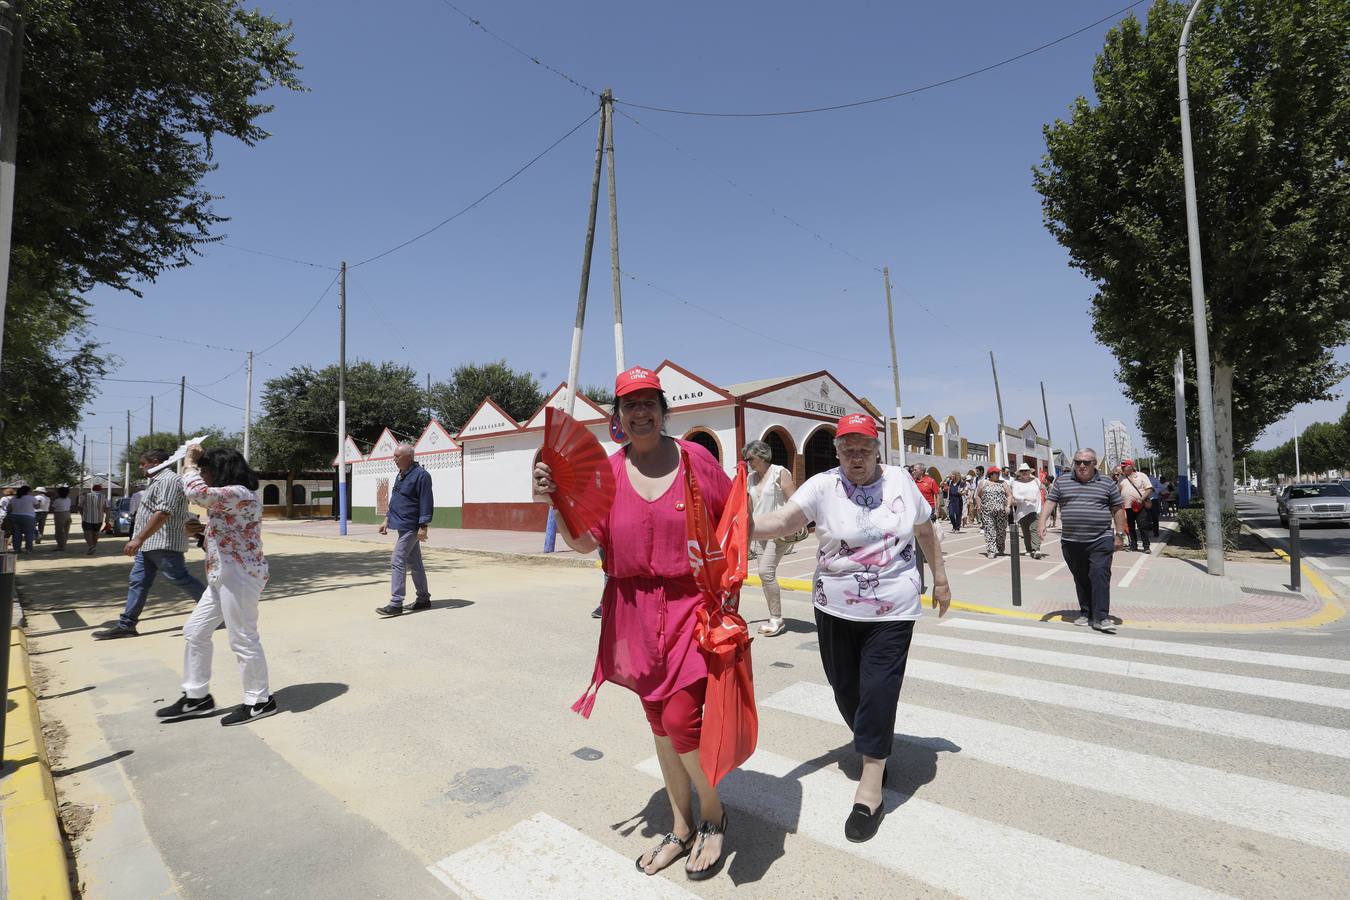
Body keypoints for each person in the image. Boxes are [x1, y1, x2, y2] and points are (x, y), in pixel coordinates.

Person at [533, 365, 732, 880]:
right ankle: (681, 823)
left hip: (690, 609)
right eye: (629, 404)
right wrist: (555, 496)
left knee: (681, 721)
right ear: (619, 417)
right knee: (657, 726)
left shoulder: (697, 461)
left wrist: (729, 588)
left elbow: (734, 518)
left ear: (664, 411)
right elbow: (584, 543)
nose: (640, 412)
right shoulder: (610, 473)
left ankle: (714, 818)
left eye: (649, 402)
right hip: (632, 616)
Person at [749, 413, 950, 843]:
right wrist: (736, 524)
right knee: (847, 691)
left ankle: (870, 785)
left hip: (892, 607)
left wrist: (942, 578)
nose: (855, 456)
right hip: (834, 606)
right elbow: (785, 521)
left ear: (877, 449)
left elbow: (924, 529)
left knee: (878, 689)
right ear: (837, 451)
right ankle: (873, 736)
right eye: (847, 449)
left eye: (864, 448)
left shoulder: (900, 481)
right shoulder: (822, 485)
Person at [157, 444, 275, 725]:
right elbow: (229, 534)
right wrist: (203, 534)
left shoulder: (240, 493)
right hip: (222, 575)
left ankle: (260, 700)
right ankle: (197, 697)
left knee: (243, 638)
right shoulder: (227, 499)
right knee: (195, 631)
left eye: (207, 471)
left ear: (221, 471)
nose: (204, 476)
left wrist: (189, 463)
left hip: (240, 576)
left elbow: (197, 493)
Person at [94, 450, 207, 640]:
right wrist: (141, 539)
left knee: (180, 578)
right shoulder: (157, 481)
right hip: (149, 544)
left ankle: (216, 613)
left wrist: (138, 538)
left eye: (142, 463)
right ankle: (127, 625)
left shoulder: (169, 480)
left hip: (163, 542)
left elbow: (163, 512)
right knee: (138, 582)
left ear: (155, 462)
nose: (140, 467)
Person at [1037, 448, 1127, 634]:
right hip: (1071, 540)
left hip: (1100, 538)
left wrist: (1119, 535)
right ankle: (1086, 612)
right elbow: (1050, 502)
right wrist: (1041, 522)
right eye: (1078, 462)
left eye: (1086, 462)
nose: (1082, 466)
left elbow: (1118, 509)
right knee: (1081, 577)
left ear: (1094, 463)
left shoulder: (1107, 483)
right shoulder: (1063, 482)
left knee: (1099, 575)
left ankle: (1101, 617)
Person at [742, 439, 797, 637]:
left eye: (750, 458)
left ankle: (776, 619)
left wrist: (793, 525)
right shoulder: (750, 478)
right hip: (758, 532)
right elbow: (748, 508)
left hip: (778, 532)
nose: (748, 462)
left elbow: (794, 500)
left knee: (766, 572)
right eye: (746, 459)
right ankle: (773, 615)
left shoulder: (779, 472)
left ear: (762, 455)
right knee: (765, 577)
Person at [375, 443, 434, 618]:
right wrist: (387, 519)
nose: (394, 459)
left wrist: (423, 526)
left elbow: (426, 501)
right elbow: (395, 499)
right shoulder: (400, 475)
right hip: (401, 524)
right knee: (415, 563)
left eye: (397, 456)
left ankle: (396, 603)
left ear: (408, 456)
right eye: (394, 456)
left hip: (412, 526)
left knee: (397, 558)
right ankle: (423, 599)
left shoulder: (422, 476)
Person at [973, 466, 1012, 559]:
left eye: (998, 473)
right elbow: (977, 496)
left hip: (1001, 511)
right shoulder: (983, 483)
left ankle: (1000, 547)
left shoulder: (1003, 483)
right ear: (990, 474)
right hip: (987, 511)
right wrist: (979, 506)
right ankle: (991, 550)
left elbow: (1009, 495)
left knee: (1001, 531)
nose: (998, 475)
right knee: (990, 530)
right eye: (996, 473)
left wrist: (1008, 506)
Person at [1116, 459, 1154, 553]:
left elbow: (1149, 489)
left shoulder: (1141, 475)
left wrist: (1141, 499)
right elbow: (1117, 491)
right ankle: (1133, 545)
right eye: (1122, 466)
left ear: (1131, 466)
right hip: (1127, 507)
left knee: (1143, 526)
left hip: (1140, 506)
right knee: (1130, 527)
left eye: (1124, 466)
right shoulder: (1122, 478)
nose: (1123, 468)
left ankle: (1146, 547)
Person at [1011, 463, 1046, 559]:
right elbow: (1015, 495)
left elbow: (1043, 488)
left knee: (1034, 529)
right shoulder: (1016, 483)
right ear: (1019, 473)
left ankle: (1036, 549)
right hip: (1022, 511)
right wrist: (1025, 498)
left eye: (1026, 471)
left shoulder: (1036, 481)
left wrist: (1045, 490)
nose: (1024, 473)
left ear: (1029, 472)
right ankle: (1029, 549)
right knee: (1026, 532)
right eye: (1022, 471)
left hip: (1035, 509)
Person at [7, 485, 37, 553]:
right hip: (28, 517)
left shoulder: (14, 498)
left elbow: (9, 508)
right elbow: (37, 506)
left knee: (16, 533)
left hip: (15, 516)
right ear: (28, 491)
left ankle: (17, 548)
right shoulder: (31, 498)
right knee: (29, 533)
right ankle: (28, 549)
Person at [79, 484, 108, 554]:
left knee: (87, 533)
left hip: (87, 518)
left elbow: (80, 506)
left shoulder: (86, 496)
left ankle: (91, 546)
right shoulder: (104, 497)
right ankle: (93, 546)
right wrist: (107, 518)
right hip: (99, 518)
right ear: (100, 490)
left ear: (92, 489)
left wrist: (82, 514)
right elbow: (107, 508)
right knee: (95, 533)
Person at [1142, 465, 1164, 538]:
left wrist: (1154, 489)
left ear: (1148, 472)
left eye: (1145, 473)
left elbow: (1161, 487)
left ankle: (1156, 532)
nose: (1144, 474)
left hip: (1153, 500)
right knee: (1144, 517)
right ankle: (1145, 533)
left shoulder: (1154, 480)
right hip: (1143, 501)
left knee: (1155, 517)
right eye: (1142, 473)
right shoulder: (1139, 480)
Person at [51, 487, 73, 551]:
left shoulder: (57, 500)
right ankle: (64, 544)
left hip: (59, 514)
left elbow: (52, 508)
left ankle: (60, 545)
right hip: (68, 513)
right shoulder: (68, 499)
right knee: (66, 530)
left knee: (59, 531)